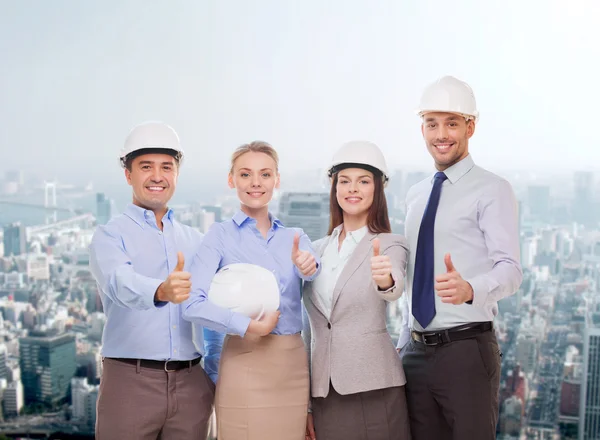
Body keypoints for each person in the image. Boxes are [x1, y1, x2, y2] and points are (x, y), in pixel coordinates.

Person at [398, 76, 523, 439]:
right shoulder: (417, 194)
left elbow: (511, 271)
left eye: (451, 123)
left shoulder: (493, 189)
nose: (441, 134)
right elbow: (415, 275)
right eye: (432, 124)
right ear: (422, 128)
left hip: (466, 350)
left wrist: (470, 288)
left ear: (471, 126)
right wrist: (405, 340)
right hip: (416, 351)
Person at [89, 121, 223, 440]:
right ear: (128, 174)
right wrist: (161, 290)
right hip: (129, 382)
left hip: (192, 382)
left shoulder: (197, 240)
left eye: (167, 166)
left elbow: (216, 311)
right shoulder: (109, 236)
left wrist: (212, 379)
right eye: (146, 166)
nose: (157, 176)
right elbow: (118, 283)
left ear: (176, 174)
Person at [182, 141, 321, 440]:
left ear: (277, 180)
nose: (256, 182)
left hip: (292, 368)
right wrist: (248, 326)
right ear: (231, 180)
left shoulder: (296, 238)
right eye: (245, 174)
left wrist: (307, 266)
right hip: (243, 363)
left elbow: (313, 270)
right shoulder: (219, 236)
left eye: (265, 174)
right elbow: (192, 304)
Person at [303, 141, 411, 440]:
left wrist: (385, 279)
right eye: (345, 181)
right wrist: (307, 406)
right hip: (324, 392)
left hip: (374, 386)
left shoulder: (390, 243)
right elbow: (308, 331)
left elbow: (394, 286)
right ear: (334, 188)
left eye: (363, 181)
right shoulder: (315, 251)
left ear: (377, 189)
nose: (353, 189)